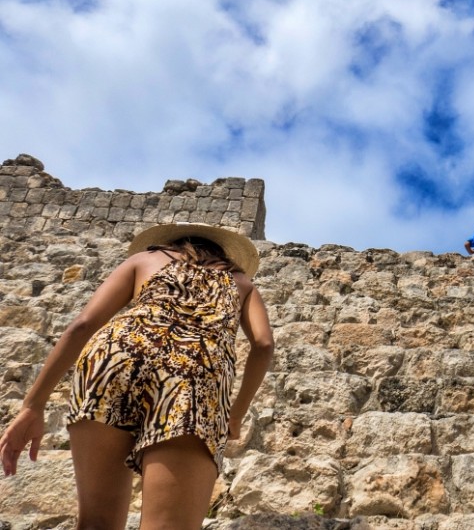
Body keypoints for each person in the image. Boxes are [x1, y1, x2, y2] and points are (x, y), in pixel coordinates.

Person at [0, 223, 274, 530]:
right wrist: (234, 416)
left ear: (172, 243)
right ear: (224, 255)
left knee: (97, 523)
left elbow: (83, 324)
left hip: (115, 358)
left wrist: (33, 405)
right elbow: (263, 345)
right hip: (192, 375)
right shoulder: (242, 283)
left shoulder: (144, 259)